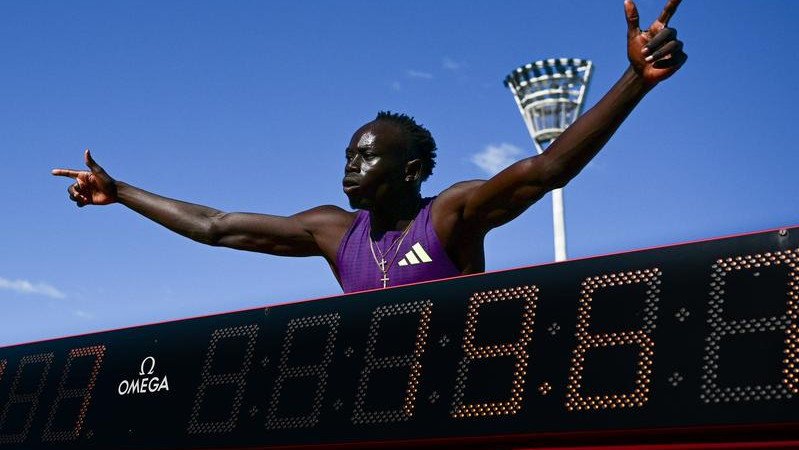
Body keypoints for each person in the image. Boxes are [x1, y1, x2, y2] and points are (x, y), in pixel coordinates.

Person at [53, 0, 687, 293]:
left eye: (365, 156)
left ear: (409, 171)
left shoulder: (450, 214)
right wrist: (121, 191)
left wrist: (634, 80)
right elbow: (217, 227)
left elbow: (545, 169)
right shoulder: (335, 233)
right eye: (348, 155)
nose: (349, 165)